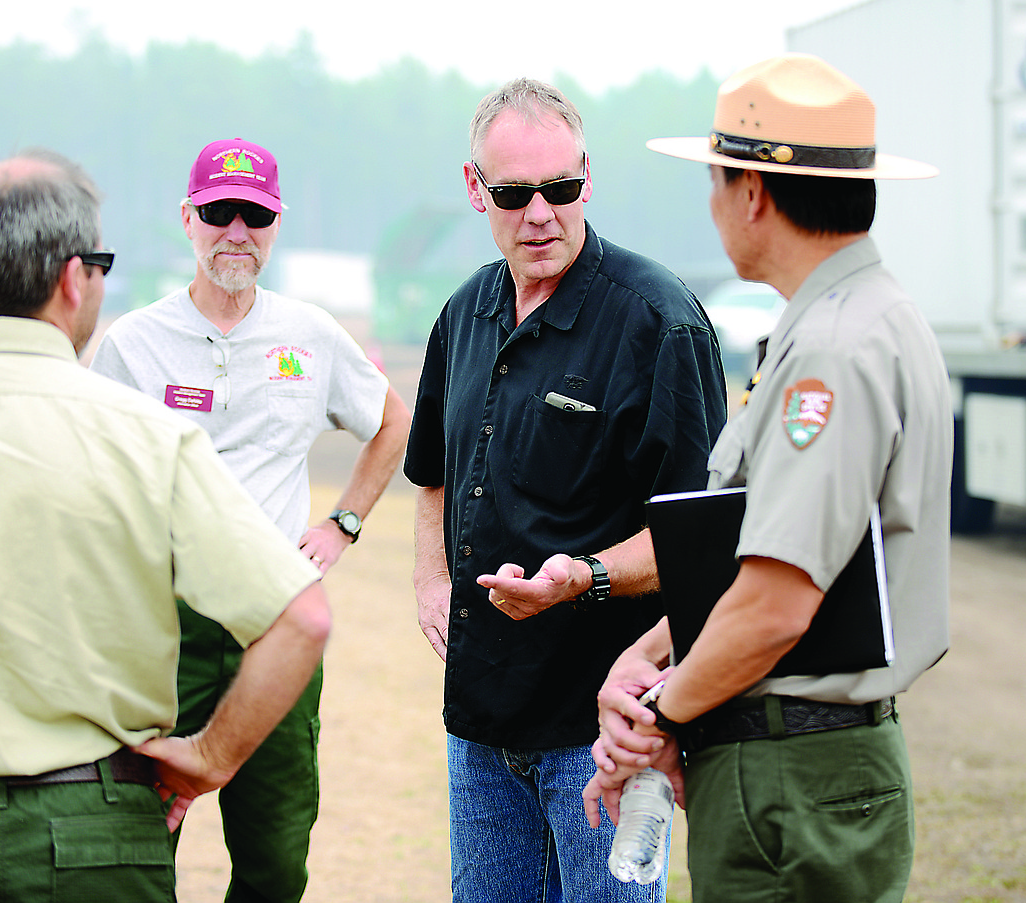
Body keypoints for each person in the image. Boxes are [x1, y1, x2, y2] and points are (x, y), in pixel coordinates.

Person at [0, 149, 330, 902]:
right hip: (93, 833)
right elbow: (301, 618)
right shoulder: (146, 434)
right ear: (72, 277)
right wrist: (209, 757)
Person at [583, 54, 950, 903]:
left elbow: (779, 598)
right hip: (797, 765)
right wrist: (648, 657)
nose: (712, 204)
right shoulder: (857, 319)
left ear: (752, 192)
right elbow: (754, 560)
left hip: (792, 777)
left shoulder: (831, 350)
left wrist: (663, 717)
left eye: (715, 179)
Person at [404, 77, 727, 902]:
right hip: (478, 728)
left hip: (601, 730)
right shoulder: (462, 312)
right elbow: (432, 468)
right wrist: (429, 578)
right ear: (474, 189)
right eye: (514, 193)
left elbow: (700, 538)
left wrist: (580, 574)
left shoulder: (660, 322)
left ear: (589, 174)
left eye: (562, 187)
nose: (541, 212)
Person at [89, 137, 409, 903]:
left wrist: (344, 523)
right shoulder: (133, 344)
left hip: (277, 623)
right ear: (188, 219)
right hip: (165, 627)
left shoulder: (311, 333)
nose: (237, 229)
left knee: (274, 856)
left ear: (275, 223)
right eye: (220, 211)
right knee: (136, 837)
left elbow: (393, 421)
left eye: (255, 213)